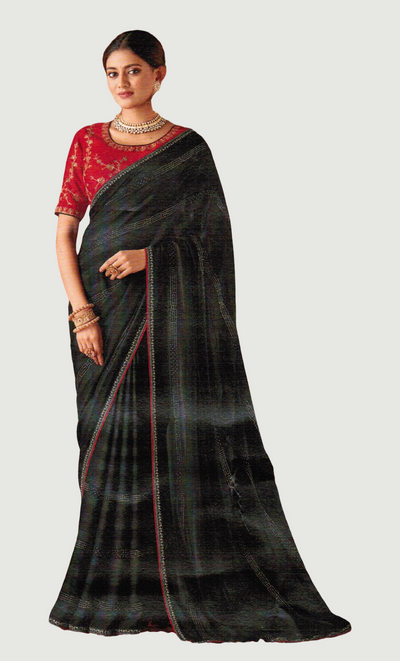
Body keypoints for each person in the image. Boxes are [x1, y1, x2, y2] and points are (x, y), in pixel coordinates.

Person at [48, 29, 352, 643]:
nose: (122, 82)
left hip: (168, 316)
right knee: (104, 446)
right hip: (104, 311)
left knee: (174, 438)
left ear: (160, 74)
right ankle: (115, 592)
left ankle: (185, 587)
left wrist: (150, 258)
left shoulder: (188, 149)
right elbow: (63, 233)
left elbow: (213, 244)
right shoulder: (86, 141)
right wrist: (82, 313)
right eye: (112, 72)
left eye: (135, 70)